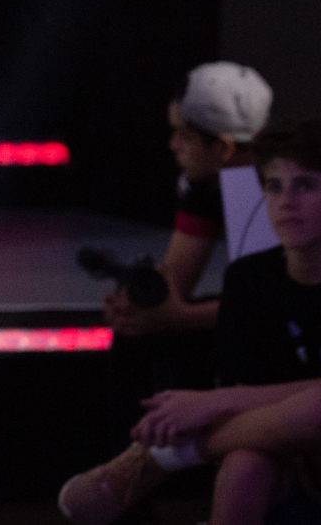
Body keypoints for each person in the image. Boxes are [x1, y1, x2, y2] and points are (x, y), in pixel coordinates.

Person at [59, 118, 321, 525]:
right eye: (274, 187)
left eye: (304, 185)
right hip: (275, 444)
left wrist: (208, 403)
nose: (286, 200)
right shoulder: (248, 277)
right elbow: (242, 390)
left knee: (320, 408)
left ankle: (161, 459)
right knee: (244, 466)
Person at [101, 63, 274, 412]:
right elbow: (175, 283)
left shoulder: (282, 192)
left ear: (223, 149)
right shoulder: (205, 188)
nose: (173, 145)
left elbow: (277, 306)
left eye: (184, 135)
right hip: (266, 316)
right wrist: (138, 305)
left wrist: (178, 317)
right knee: (140, 335)